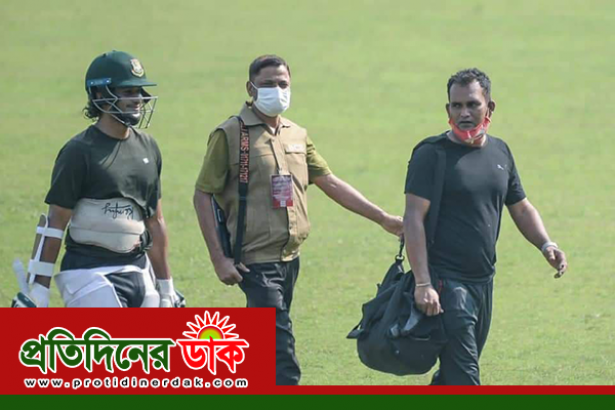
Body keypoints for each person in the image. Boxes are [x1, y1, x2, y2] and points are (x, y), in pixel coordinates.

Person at [193, 54, 403, 385]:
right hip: (254, 261)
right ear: (250, 88)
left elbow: (330, 182)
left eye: (283, 83)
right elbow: (203, 194)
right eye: (267, 84)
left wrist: (383, 218)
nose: (276, 90)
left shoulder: (296, 134)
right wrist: (219, 259)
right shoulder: (230, 134)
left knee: (266, 348)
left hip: (291, 258)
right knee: (283, 358)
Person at [403, 68, 568, 385]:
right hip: (446, 283)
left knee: (453, 375)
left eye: (472, 104)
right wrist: (423, 283)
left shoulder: (500, 152)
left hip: (483, 280)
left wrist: (546, 244)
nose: (463, 113)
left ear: (489, 107)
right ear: (448, 109)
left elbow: (521, 207)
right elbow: (413, 219)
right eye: (456, 105)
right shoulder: (431, 155)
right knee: (466, 378)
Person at [12, 50, 179, 308]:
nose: (137, 99)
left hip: (138, 269)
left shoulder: (148, 147)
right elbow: (55, 223)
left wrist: (167, 288)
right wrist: (40, 290)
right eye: (127, 92)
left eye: (138, 91)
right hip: (87, 272)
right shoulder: (78, 151)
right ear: (100, 95)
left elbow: (155, 222)